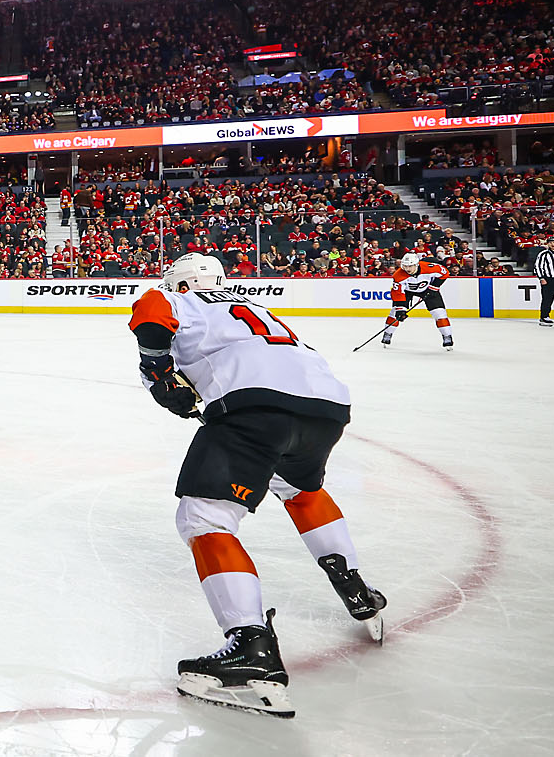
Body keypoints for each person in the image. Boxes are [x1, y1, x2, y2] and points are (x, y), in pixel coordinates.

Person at [129, 253, 385, 718]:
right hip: (325, 408)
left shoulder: (174, 297)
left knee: (204, 517)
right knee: (300, 489)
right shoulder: (254, 307)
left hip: (254, 408)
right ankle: (355, 587)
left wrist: (159, 370)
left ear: (179, 281)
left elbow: (151, 316)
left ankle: (252, 653)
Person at [379, 252, 453, 350]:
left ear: (416, 264)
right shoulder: (399, 275)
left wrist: (433, 287)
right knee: (395, 312)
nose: (407, 269)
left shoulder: (429, 268)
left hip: (428, 289)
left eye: (410, 266)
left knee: (439, 313)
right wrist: (401, 310)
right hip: (407, 292)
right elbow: (398, 293)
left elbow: (444, 273)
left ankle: (447, 336)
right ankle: (388, 333)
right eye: (405, 266)